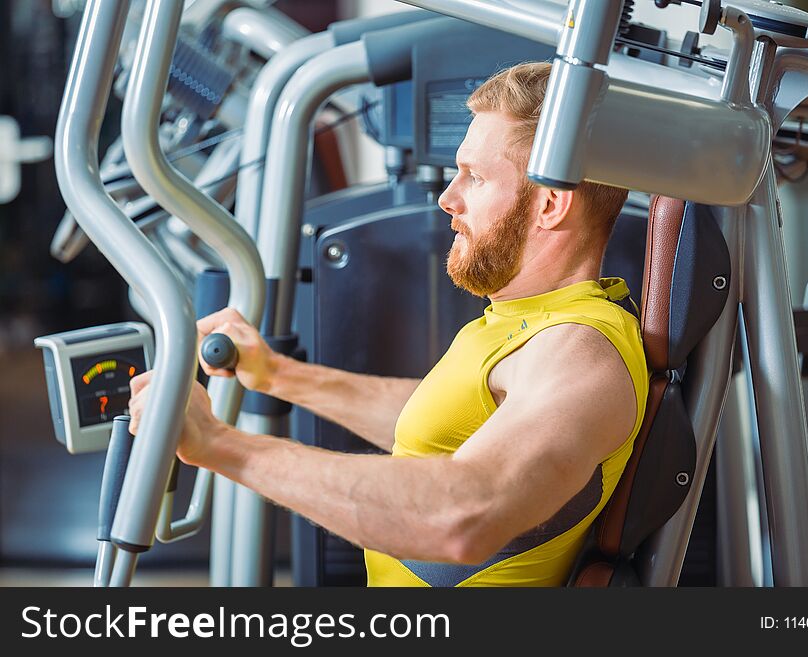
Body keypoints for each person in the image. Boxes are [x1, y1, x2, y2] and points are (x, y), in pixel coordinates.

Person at [129, 62, 649, 587]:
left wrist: (218, 445)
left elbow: (468, 513)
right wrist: (278, 375)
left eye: (476, 176)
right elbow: (440, 424)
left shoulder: (579, 351)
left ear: (551, 204)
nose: (449, 197)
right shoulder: (527, 320)